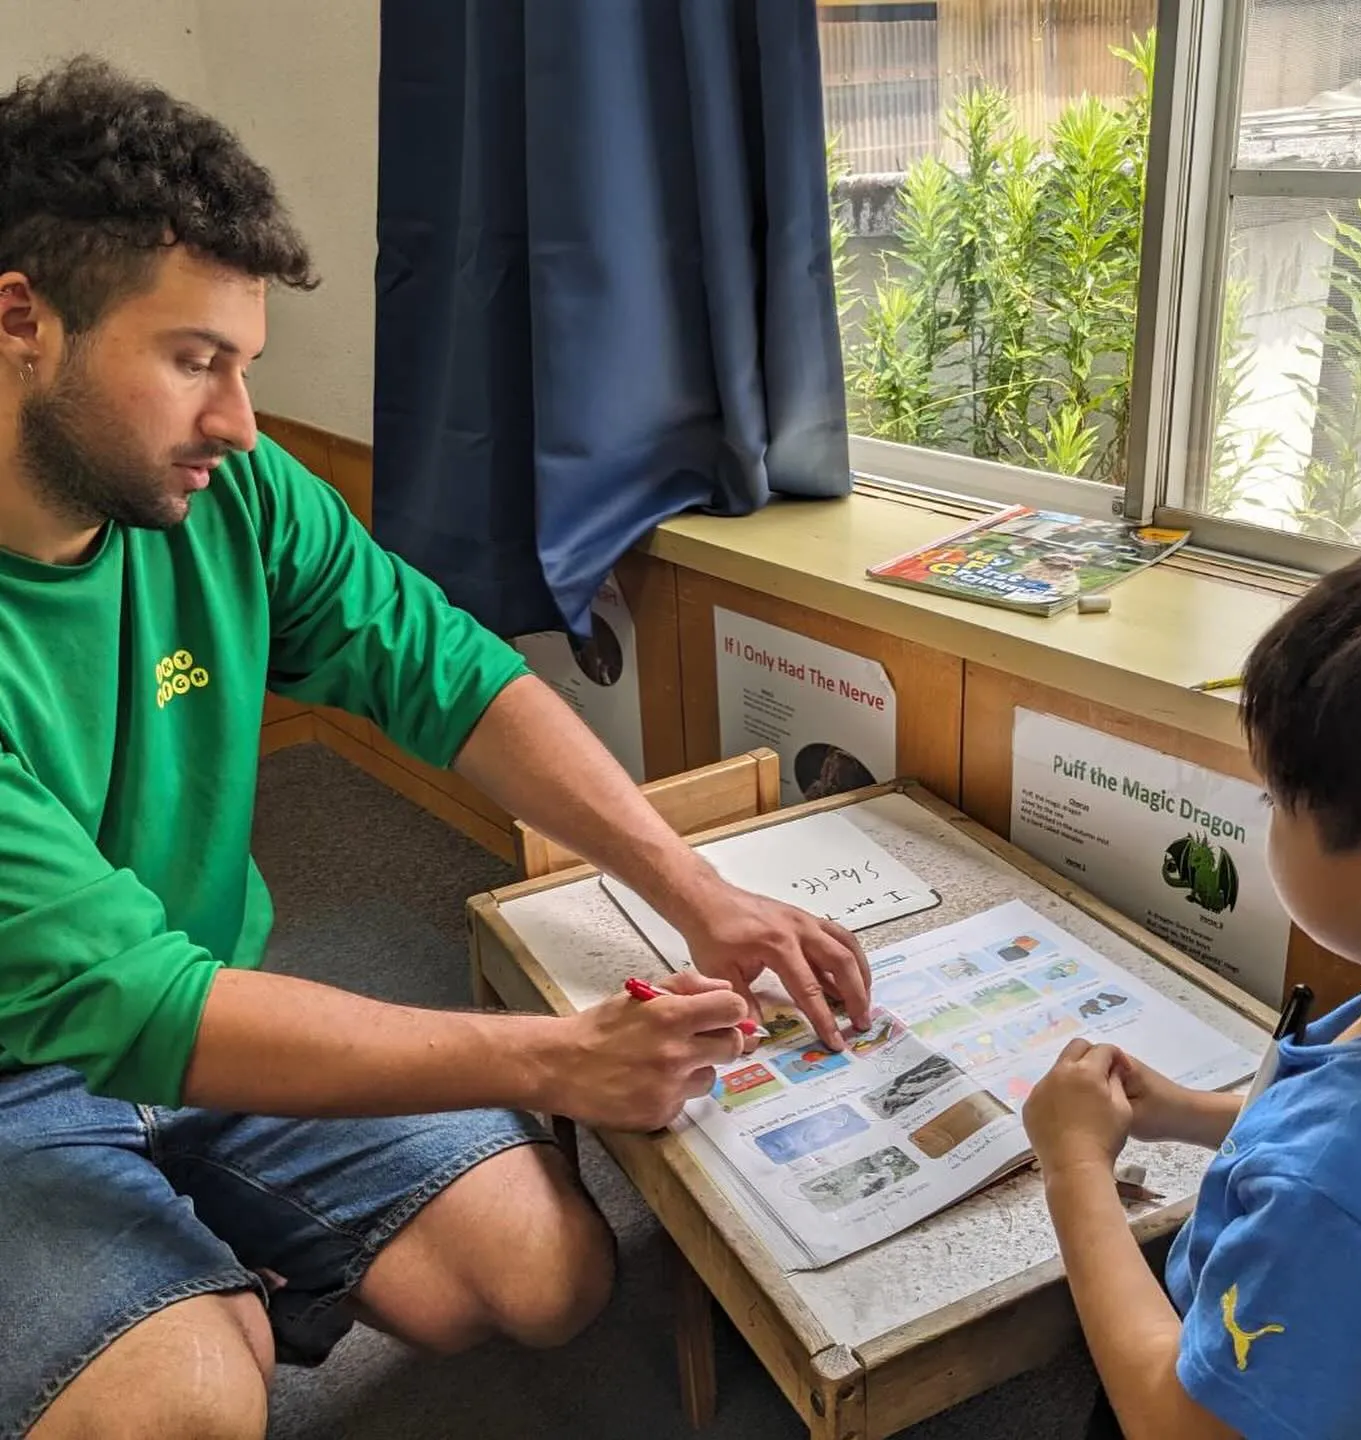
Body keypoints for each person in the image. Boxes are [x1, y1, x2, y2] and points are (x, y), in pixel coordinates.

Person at [0, 58, 872, 1440]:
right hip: (23, 1076)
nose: (235, 421)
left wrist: (694, 888)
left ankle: (200, 1264)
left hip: (207, 997)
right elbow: (131, 1006)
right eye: (192, 361)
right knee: (186, 1405)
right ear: (22, 322)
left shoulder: (234, 495)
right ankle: (192, 1307)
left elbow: (451, 677)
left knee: (547, 1280)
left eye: (245, 366)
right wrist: (547, 1061)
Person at [1021, 531, 1361, 1439]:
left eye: (1275, 802)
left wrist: (1075, 1167)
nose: (1268, 819)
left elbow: (1180, 1423)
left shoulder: (1336, 1198)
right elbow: (1329, 1111)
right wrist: (1187, 1113)